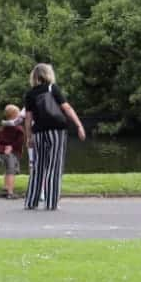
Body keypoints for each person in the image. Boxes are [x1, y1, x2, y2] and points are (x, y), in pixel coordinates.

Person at [22, 62, 85, 211]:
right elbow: (66, 108)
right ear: (48, 74)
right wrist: (78, 125)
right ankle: (51, 203)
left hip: (39, 132)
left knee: (38, 167)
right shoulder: (53, 88)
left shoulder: (30, 94)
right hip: (56, 131)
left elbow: (28, 118)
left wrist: (28, 137)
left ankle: (31, 201)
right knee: (54, 167)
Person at [0, 104, 27, 199]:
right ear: (15, 116)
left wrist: (1, 148)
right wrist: (12, 147)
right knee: (11, 172)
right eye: (19, 113)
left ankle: (5, 188)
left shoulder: (2, 128)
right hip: (12, 154)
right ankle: (10, 193)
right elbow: (20, 141)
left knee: (7, 170)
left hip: (3, 153)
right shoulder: (18, 128)